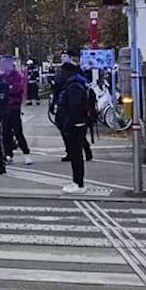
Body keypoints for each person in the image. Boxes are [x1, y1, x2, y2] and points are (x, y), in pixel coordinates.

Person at [54, 60, 92, 193]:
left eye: (61, 71)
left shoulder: (73, 85)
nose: (59, 74)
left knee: (76, 154)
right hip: (76, 123)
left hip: (75, 124)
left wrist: (66, 125)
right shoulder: (75, 83)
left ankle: (79, 183)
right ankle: (76, 181)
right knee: (75, 153)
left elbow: (74, 107)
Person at [0, 57, 33, 166]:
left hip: (14, 107)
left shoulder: (18, 76)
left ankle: (26, 153)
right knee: (5, 132)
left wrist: (8, 89)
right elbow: (1, 90)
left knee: (18, 131)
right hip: (4, 107)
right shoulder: (2, 76)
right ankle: (8, 154)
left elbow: (16, 89)